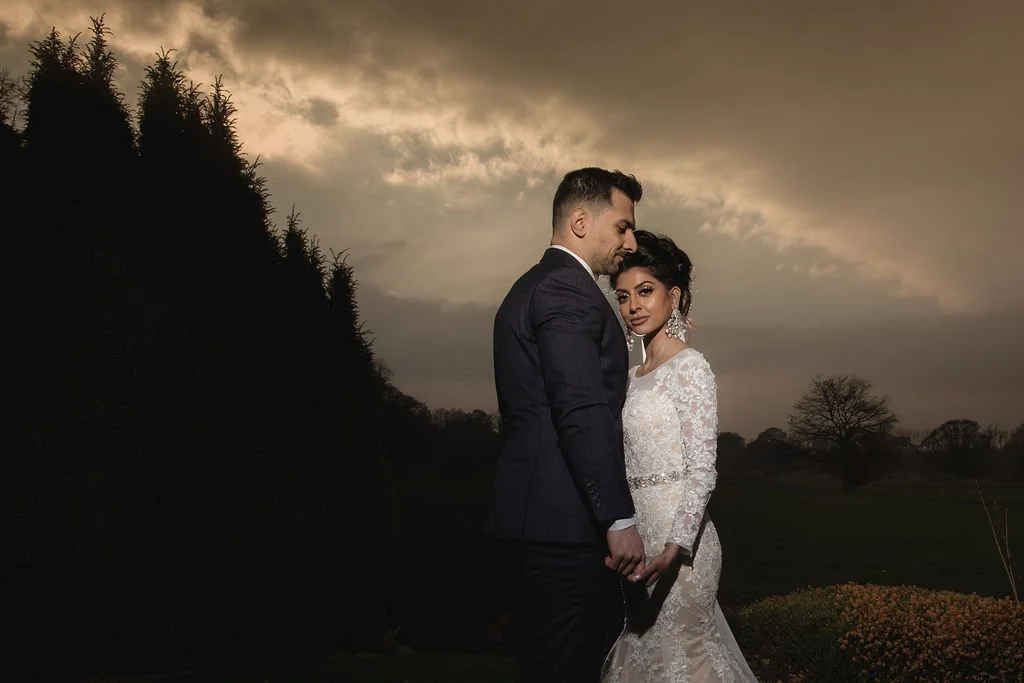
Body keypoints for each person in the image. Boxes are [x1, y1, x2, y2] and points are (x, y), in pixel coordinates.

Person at [489, 167, 648, 682]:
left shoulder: (533, 284)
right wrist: (618, 519)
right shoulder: (566, 289)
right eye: (622, 227)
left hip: (537, 521)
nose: (632, 240)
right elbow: (579, 410)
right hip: (565, 530)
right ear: (581, 221)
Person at [602, 230, 757, 682]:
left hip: (683, 551)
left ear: (675, 296)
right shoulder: (629, 376)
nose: (633, 306)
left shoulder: (691, 368)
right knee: (643, 656)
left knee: (684, 658)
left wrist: (676, 546)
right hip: (636, 544)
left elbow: (703, 470)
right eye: (624, 296)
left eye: (645, 292)